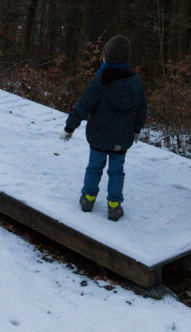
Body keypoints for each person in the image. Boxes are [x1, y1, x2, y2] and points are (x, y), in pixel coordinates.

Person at [61, 35, 147, 221]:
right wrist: (137, 129)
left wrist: (70, 126)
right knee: (117, 171)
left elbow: (84, 105)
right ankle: (114, 206)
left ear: (107, 58)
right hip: (121, 138)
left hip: (99, 137)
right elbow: (141, 108)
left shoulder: (100, 81)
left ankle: (88, 198)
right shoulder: (135, 83)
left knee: (94, 167)